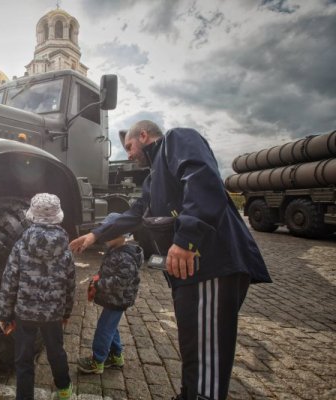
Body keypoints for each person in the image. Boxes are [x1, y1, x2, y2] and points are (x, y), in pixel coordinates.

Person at [69, 120, 272, 400]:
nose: (128, 154)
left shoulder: (177, 140)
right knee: (191, 344)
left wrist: (186, 239)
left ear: (143, 135)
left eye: (129, 146)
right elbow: (136, 212)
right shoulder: (154, 178)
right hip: (189, 272)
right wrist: (95, 235)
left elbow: (203, 178)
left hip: (210, 264)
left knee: (207, 348)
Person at [0, 193, 76, 400]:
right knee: (56, 352)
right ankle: (64, 390)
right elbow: (70, 285)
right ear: (58, 216)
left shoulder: (21, 246)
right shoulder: (65, 250)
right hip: (53, 315)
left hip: (25, 314)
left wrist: (5, 315)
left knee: (23, 360)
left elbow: (9, 282)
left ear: (31, 216)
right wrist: (66, 312)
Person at [77, 212, 143, 375]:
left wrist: (99, 284)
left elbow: (120, 281)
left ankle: (97, 361)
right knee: (110, 327)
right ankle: (116, 356)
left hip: (117, 300)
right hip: (114, 299)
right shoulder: (116, 249)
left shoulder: (125, 256)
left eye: (109, 233)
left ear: (121, 234)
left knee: (104, 329)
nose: (104, 237)